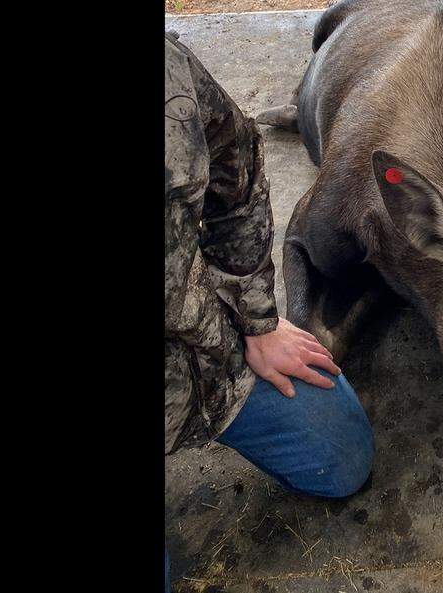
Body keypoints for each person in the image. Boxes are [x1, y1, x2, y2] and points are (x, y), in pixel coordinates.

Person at [164, 31, 374, 590]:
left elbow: (236, 166)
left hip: (209, 350)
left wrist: (255, 318)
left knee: (343, 456)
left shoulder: (169, 66)